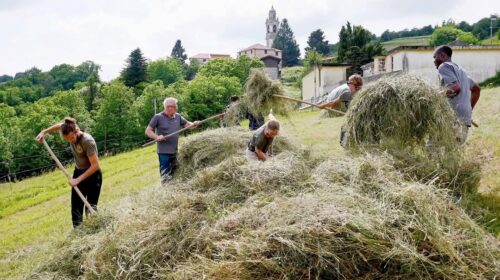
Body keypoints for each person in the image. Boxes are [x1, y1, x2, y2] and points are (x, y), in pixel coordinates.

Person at [36, 117, 102, 228]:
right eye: (67, 139)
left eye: (72, 138)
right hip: (78, 171)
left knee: (90, 207)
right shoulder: (67, 128)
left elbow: (95, 166)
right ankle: (78, 232)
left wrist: (77, 179)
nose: (70, 141)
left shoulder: (87, 141)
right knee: (76, 206)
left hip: (92, 175)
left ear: (76, 131)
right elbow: (59, 126)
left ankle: (95, 230)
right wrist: (44, 132)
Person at [145, 97, 199, 183]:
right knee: (165, 176)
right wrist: (157, 137)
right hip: (164, 153)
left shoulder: (177, 116)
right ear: (168, 107)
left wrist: (194, 124)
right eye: (174, 106)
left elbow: (188, 125)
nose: (176, 108)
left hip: (175, 152)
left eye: (175, 106)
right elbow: (148, 131)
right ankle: (166, 193)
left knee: (175, 174)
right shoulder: (158, 117)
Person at [433, 45, 481, 142]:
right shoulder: (461, 70)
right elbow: (476, 89)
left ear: (442, 56)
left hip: (452, 117)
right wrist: (469, 109)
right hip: (465, 117)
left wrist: (436, 96)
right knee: (456, 150)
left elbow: (456, 88)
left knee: (433, 146)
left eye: (435, 57)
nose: (434, 61)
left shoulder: (443, 66)